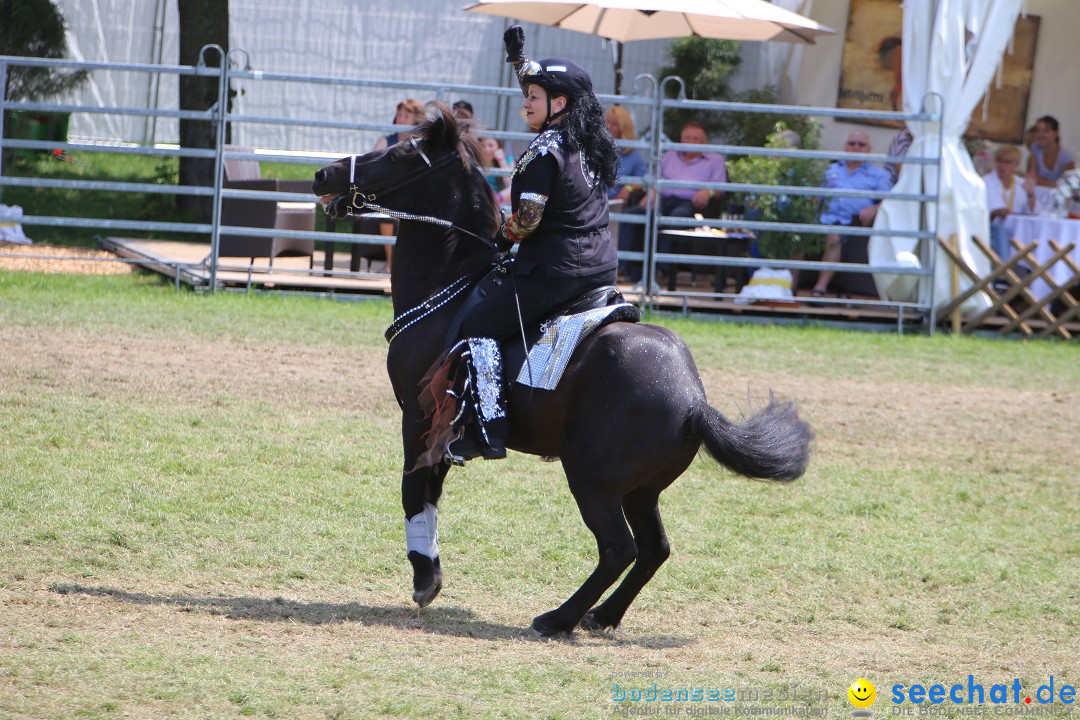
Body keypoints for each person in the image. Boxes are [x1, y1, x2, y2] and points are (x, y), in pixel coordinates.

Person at [441, 26, 620, 464]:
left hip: (555, 273)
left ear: (558, 105)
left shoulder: (545, 152)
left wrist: (502, 236)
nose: (525, 102)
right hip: (600, 269)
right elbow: (547, 82)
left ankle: (488, 425)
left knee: (479, 325)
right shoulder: (587, 145)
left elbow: (529, 219)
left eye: (533, 97)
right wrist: (518, 59)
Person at [617, 120, 727, 283]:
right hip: (663, 200)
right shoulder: (669, 155)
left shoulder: (715, 160)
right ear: (681, 139)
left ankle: (661, 270)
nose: (691, 142)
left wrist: (708, 191)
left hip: (691, 204)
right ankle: (625, 268)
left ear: (705, 141)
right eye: (687, 138)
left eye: (695, 139)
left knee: (676, 217)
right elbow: (653, 179)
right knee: (632, 215)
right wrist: (653, 189)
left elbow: (720, 189)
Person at [810, 130, 893, 298]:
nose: (855, 147)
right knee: (797, 233)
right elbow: (815, 196)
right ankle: (788, 288)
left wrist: (874, 208)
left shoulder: (878, 175)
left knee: (833, 237)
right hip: (821, 221)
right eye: (851, 143)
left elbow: (891, 201)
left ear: (869, 149)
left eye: (861, 144)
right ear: (845, 146)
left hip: (851, 225)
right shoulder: (830, 170)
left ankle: (820, 288)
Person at [371, 98, 426, 272]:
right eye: (399, 114)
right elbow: (371, 169)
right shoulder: (385, 141)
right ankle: (390, 262)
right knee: (387, 213)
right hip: (389, 194)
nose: (400, 118)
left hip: (414, 196)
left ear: (416, 119)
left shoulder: (422, 144)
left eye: (406, 115)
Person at [986, 145, 1036, 258]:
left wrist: (1030, 194)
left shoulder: (1022, 183)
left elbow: (1031, 212)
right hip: (993, 228)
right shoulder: (985, 182)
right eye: (999, 161)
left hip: (1018, 228)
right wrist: (994, 213)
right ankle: (1004, 271)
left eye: (1007, 162)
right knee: (1000, 230)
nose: (1002, 166)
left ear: (1016, 165)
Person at [604, 105, 647, 205]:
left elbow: (644, 181)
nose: (608, 127)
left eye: (614, 124)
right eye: (607, 122)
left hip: (617, 205)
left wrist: (628, 188)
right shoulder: (596, 148)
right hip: (593, 204)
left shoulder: (634, 155)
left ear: (624, 128)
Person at [1025, 115, 1076, 187]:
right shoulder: (1035, 149)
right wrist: (1054, 184)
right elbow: (1032, 179)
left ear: (1056, 132)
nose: (1040, 134)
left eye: (1045, 131)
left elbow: (1068, 186)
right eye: (1038, 130)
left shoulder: (1067, 158)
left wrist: (1042, 181)